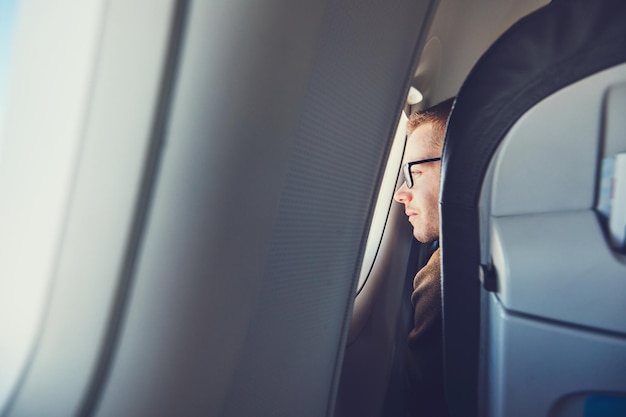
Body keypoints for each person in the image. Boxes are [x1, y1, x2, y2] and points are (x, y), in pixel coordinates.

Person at [393, 97, 455, 417]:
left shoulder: (445, 272)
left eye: (413, 172)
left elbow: (423, 403)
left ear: (461, 167)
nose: (400, 193)